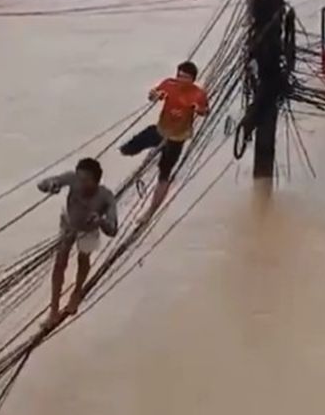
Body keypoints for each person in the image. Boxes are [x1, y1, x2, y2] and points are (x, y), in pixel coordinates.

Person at [121, 60, 211, 219]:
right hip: (160, 130)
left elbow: (205, 111)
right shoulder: (169, 84)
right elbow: (154, 94)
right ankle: (130, 169)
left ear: (193, 79)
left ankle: (150, 212)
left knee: (164, 174)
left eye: (185, 77)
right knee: (128, 148)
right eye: (179, 76)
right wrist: (154, 95)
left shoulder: (198, 94)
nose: (181, 80)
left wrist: (199, 110)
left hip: (177, 139)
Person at [36, 157, 119, 328]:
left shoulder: (106, 197)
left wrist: (101, 221)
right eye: (79, 179)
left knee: (83, 258)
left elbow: (113, 230)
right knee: (60, 263)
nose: (80, 183)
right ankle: (53, 310)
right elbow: (42, 184)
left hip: (89, 230)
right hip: (69, 223)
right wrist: (51, 185)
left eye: (86, 180)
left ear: (96, 181)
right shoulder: (72, 179)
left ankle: (76, 293)